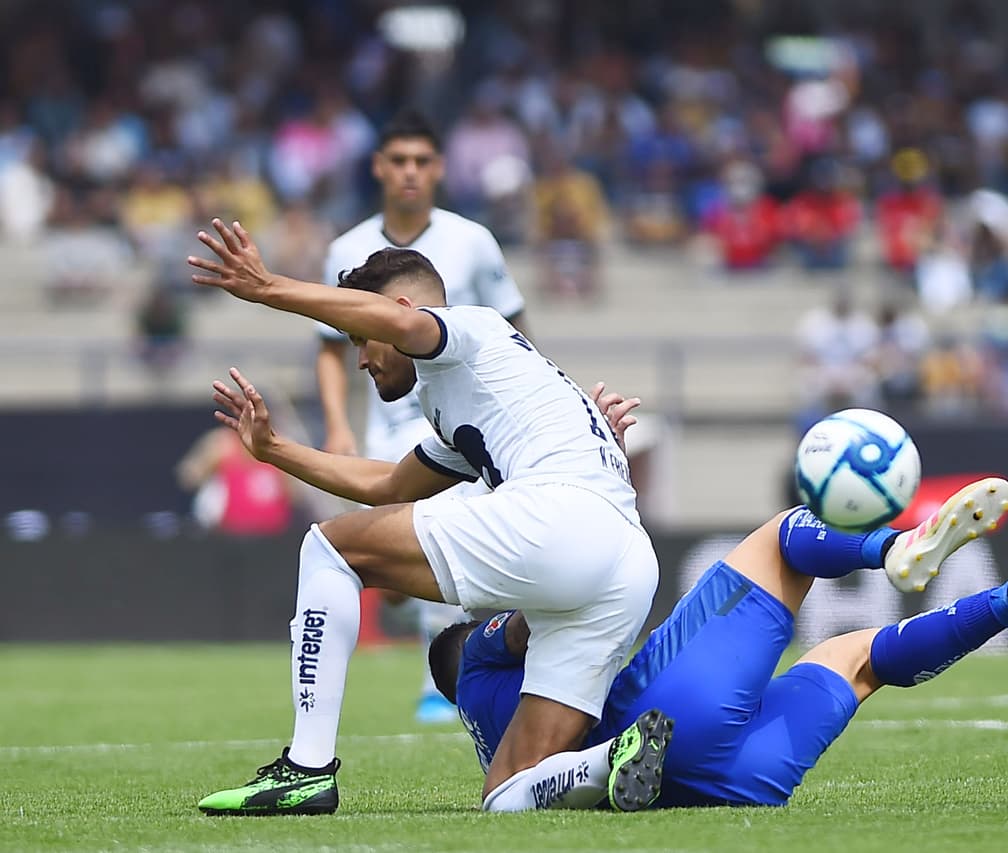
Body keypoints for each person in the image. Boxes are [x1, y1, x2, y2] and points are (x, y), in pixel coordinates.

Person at [188, 228, 664, 814]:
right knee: (507, 794)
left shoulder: (473, 327)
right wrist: (275, 449)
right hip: (627, 563)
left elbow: (410, 329)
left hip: (560, 517)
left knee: (328, 549)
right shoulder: (471, 396)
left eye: (363, 338)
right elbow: (388, 486)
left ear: (400, 315)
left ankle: (305, 769)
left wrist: (268, 288)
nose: (361, 356)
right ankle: (608, 758)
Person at [431, 474, 1008, 808]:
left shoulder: (497, 740)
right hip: (667, 715)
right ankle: (898, 549)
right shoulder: (479, 656)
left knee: (857, 658)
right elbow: (551, 607)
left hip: (725, 786)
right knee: (783, 539)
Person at [315, 109, 529, 724]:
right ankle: (447, 649)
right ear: (379, 168)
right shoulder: (348, 249)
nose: (410, 172)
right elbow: (331, 349)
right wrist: (336, 424)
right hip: (384, 426)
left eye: (421, 161)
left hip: (451, 426)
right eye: (398, 160)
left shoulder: (471, 242)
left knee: (436, 530)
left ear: (437, 168)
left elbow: (513, 330)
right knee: (399, 563)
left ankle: (442, 685)